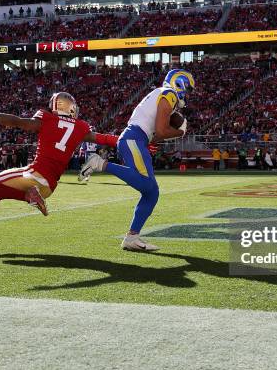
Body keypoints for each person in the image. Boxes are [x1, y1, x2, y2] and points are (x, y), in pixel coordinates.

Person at [0, 92, 118, 216]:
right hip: (49, 187)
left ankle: (29, 194)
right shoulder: (81, 127)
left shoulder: (47, 118)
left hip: (34, 174)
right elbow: (106, 139)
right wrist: (136, 141)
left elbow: (16, 121)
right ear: (71, 107)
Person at [79, 69, 193, 251]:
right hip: (134, 138)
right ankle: (99, 163)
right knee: (148, 186)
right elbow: (162, 131)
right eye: (187, 88)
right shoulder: (168, 94)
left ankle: (132, 238)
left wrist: (154, 140)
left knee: (151, 193)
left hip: (137, 139)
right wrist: (180, 132)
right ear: (180, 83)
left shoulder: (158, 94)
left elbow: (155, 133)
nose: (187, 93)